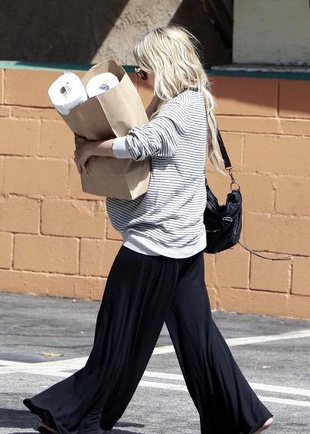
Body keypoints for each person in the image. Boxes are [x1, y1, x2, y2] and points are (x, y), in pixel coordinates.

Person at [24, 25, 273, 434]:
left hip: (155, 242)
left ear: (165, 65)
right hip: (184, 241)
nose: (140, 72)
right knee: (198, 339)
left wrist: (90, 148)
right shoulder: (193, 101)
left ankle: (78, 416)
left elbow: (139, 144)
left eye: (146, 66)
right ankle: (243, 416)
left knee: (118, 331)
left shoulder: (178, 110)